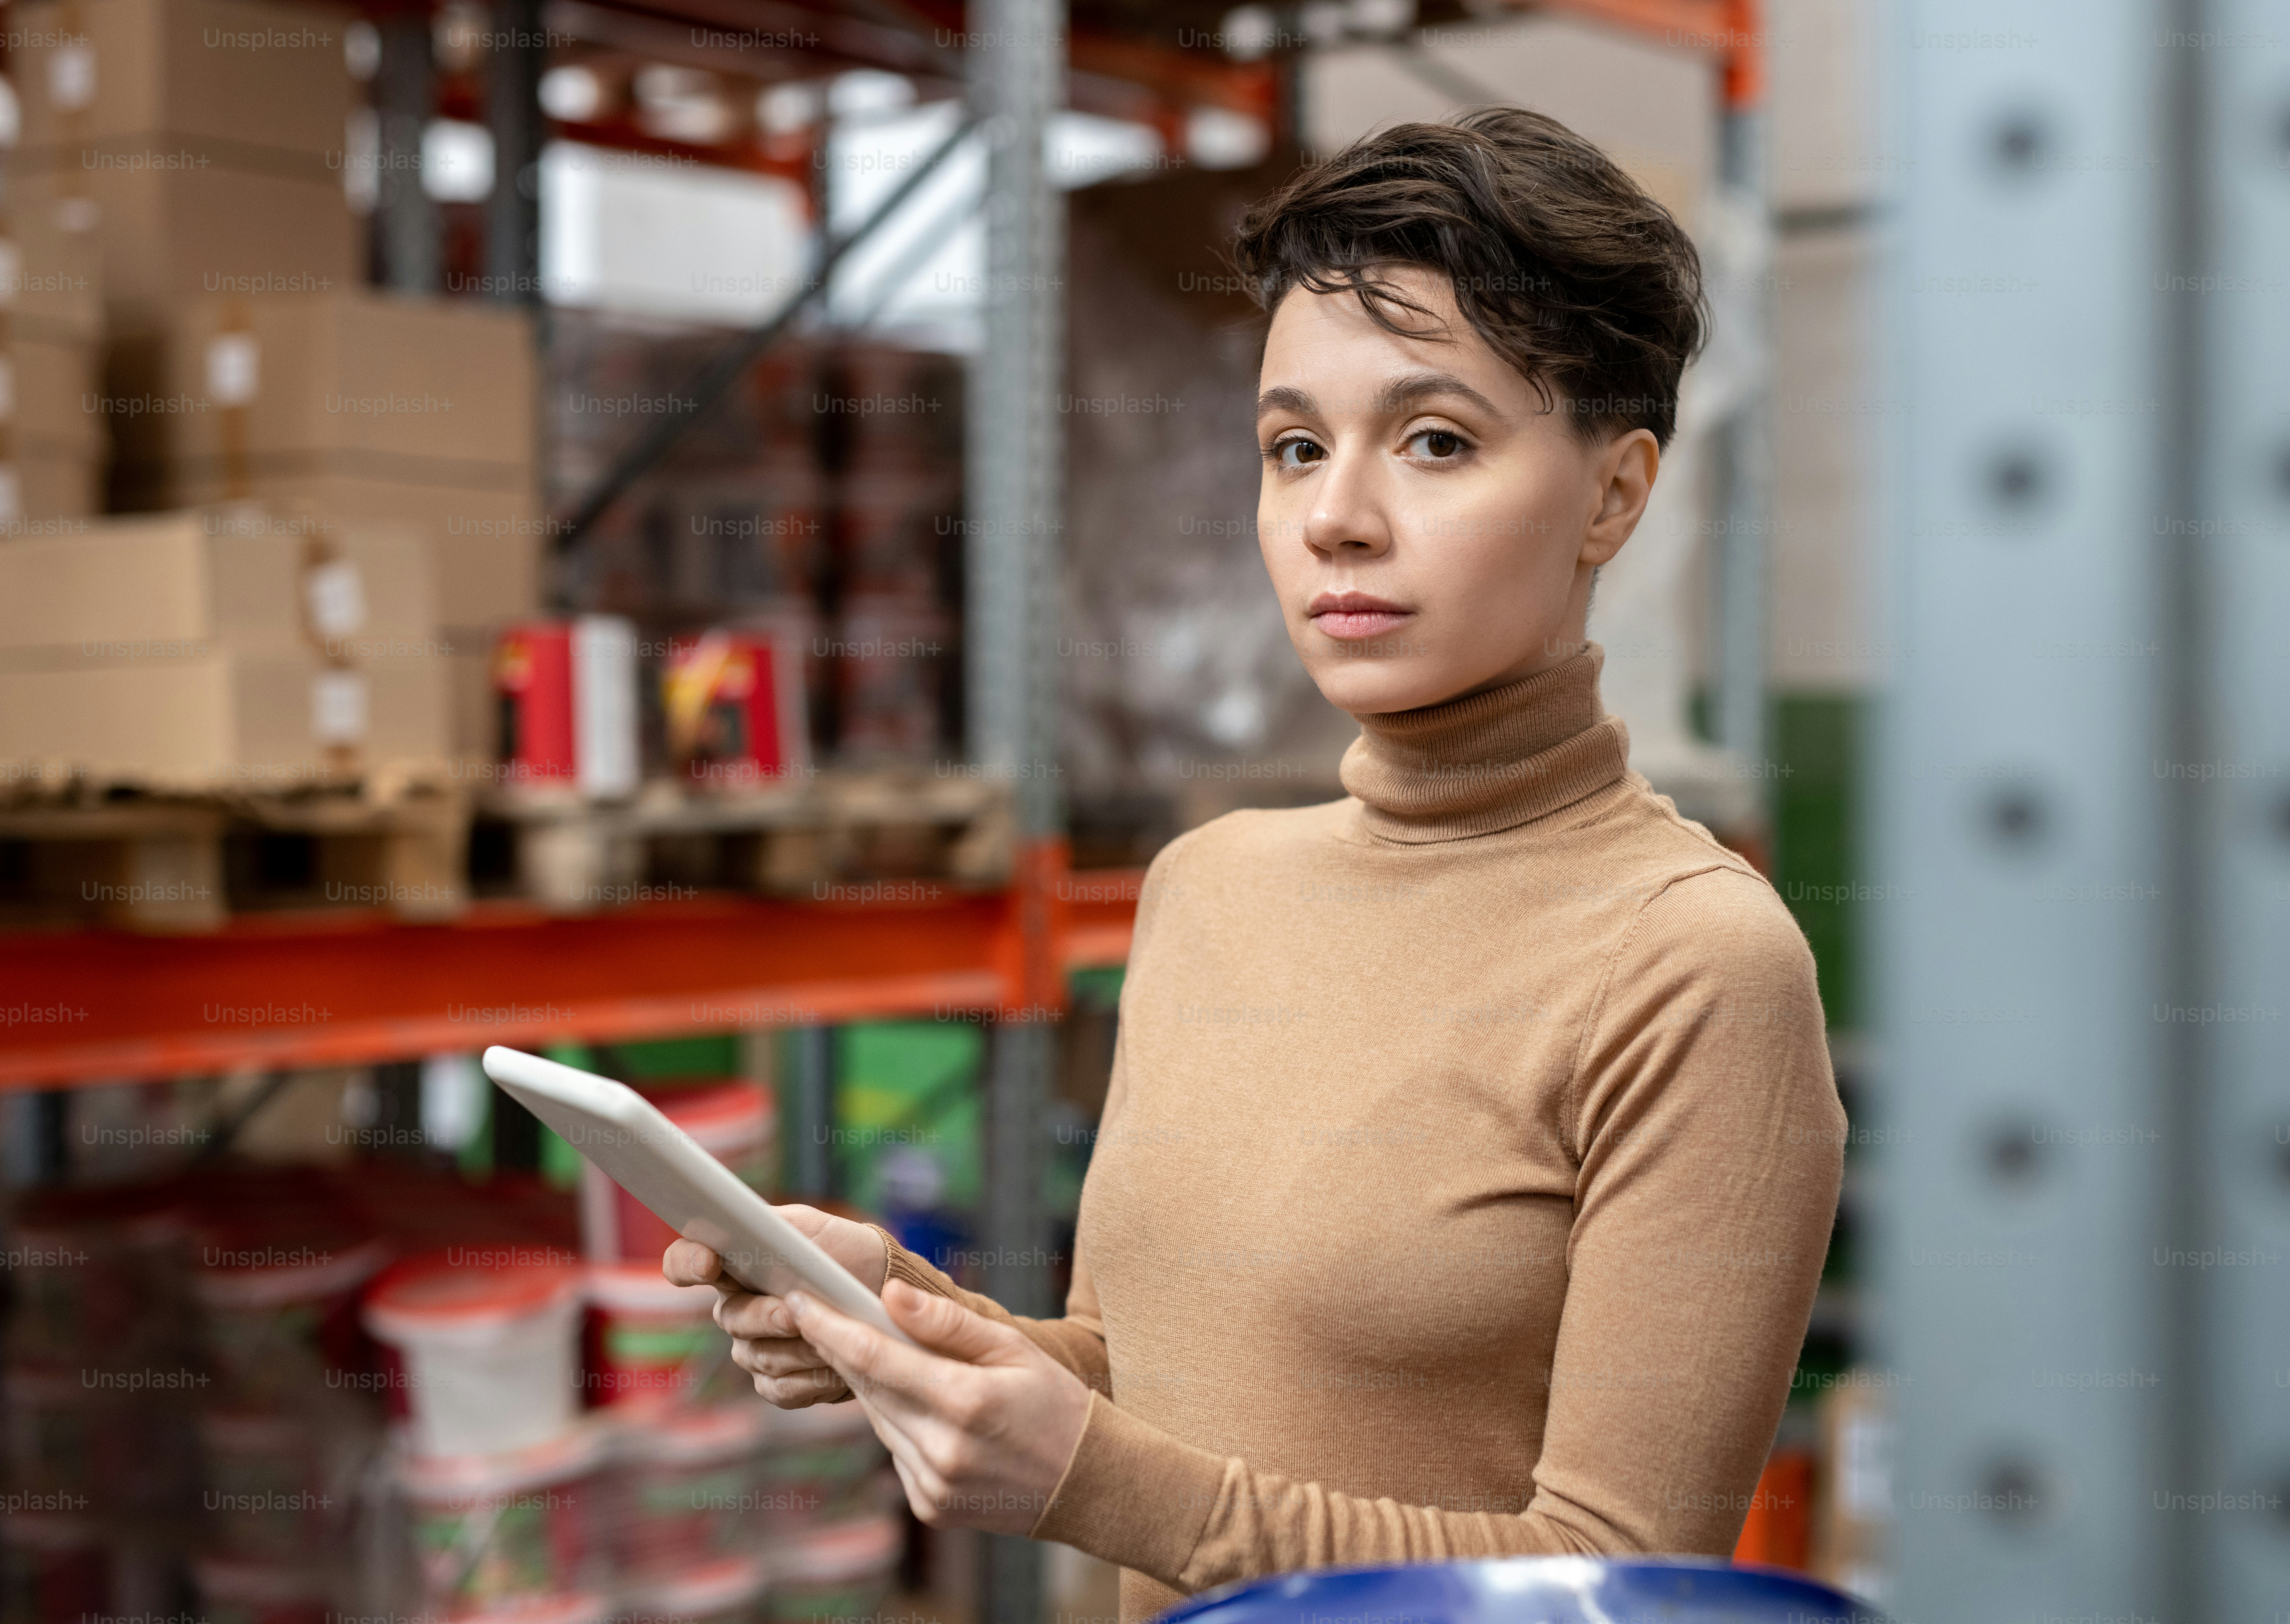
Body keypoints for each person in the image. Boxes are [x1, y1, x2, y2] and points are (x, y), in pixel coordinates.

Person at [666, 107, 1847, 1622]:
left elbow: (1609, 1580)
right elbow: (1138, 1369)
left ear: (1615, 494)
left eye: (1435, 441)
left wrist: (1092, 1480)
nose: (1337, 519)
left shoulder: (1694, 965)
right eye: (1296, 447)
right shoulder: (1209, 882)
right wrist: (896, 1314)